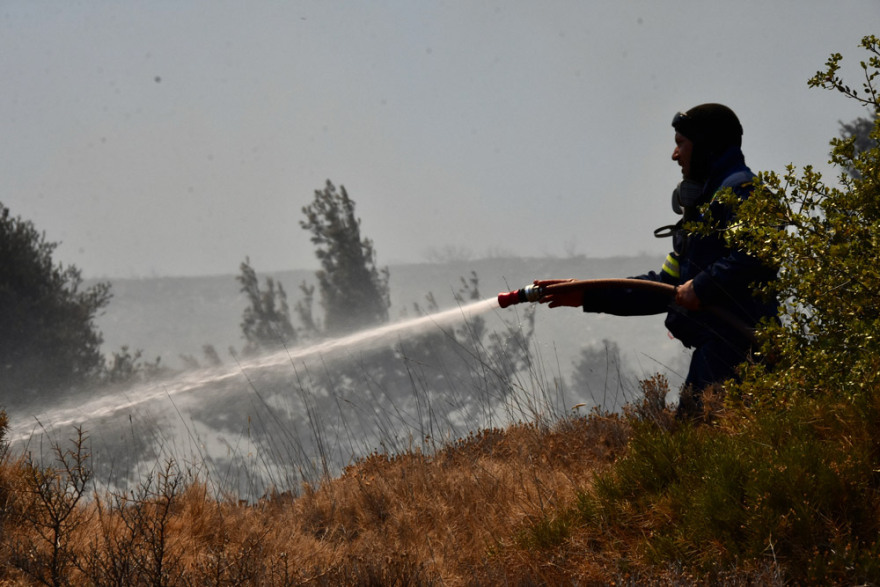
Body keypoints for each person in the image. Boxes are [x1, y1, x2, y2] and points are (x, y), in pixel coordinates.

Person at [537, 104, 777, 419]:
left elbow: (760, 252)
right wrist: (587, 294)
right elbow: (666, 287)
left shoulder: (743, 193)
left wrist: (702, 288)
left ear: (705, 144)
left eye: (681, 143)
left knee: (701, 447)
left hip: (739, 351)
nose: (675, 155)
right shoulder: (706, 208)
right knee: (694, 446)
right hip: (715, 351)